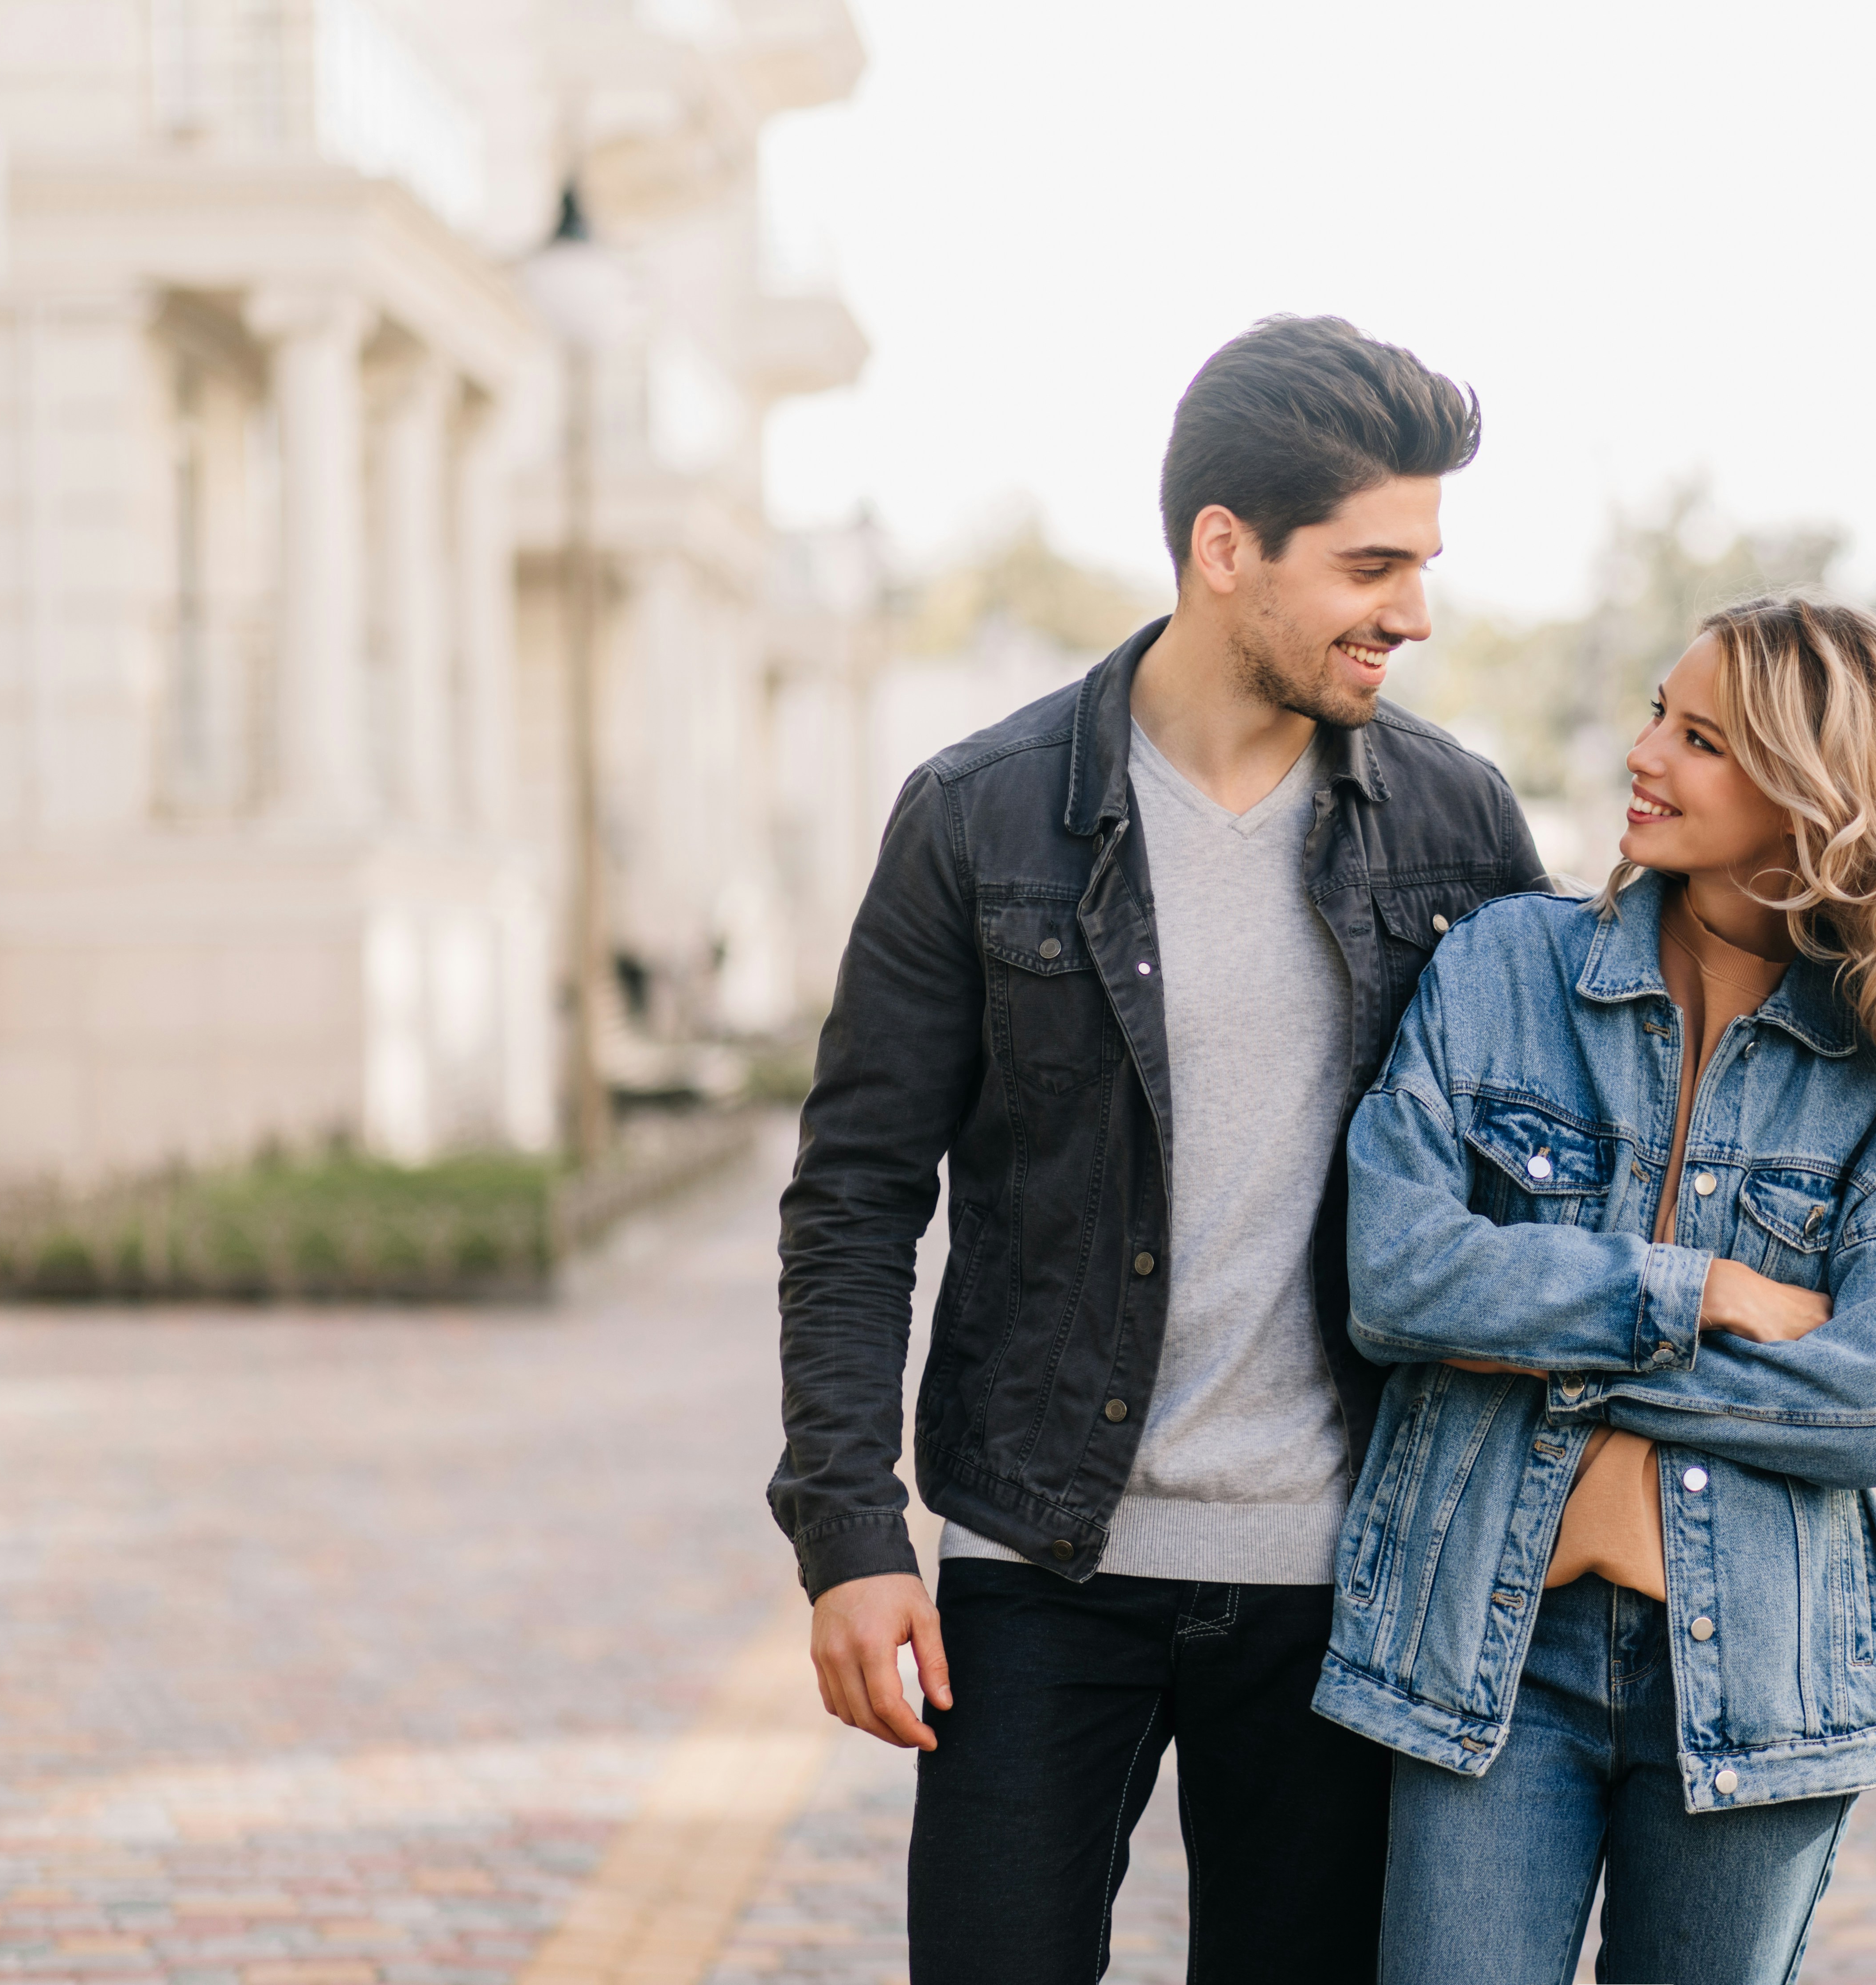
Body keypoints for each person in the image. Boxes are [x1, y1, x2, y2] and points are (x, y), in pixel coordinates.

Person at [766, 315, 1545, 1985]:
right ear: (1224, 550)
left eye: (1424, 563)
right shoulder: (978, 818)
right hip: (1041, 1565)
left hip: (1350, 1579)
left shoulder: (1456, 823)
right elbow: (855, 1198)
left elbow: (1554, 1164)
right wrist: (849, 1536)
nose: (1414, 611)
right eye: (1372, 563)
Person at [1314, 596, 1876, 1985]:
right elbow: (1395, 1280)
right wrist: (1698, 1289)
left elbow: (1870, 1406)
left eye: (1702, 740)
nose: (1646, 755)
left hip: (1763, 1678)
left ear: (1813, 796)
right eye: (1655, 714)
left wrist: (1534, 1335)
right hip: (1493, 1662)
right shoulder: (1504, 970)